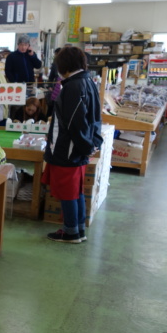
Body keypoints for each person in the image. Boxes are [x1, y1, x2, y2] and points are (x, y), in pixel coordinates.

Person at [42, 46, 103, 244]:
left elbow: (75, 123)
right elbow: (94, 118)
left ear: (64, 65)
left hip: (68, 149)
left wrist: (86, 145)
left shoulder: (73, 86)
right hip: (78, 146)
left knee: (68, 192)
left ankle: (71, 232)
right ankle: (78, 229)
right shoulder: (88, 82)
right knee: (75, 191)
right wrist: (93, 143)